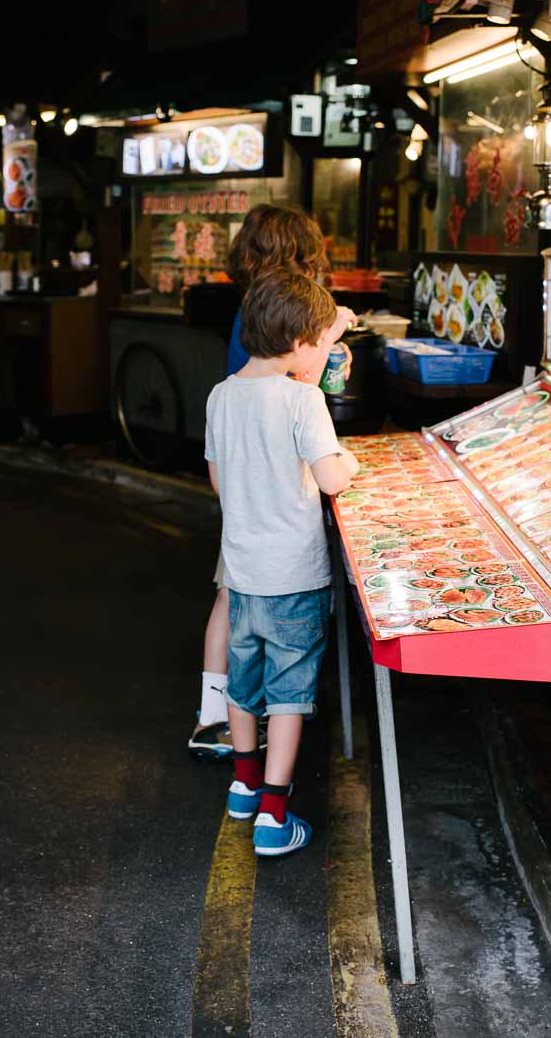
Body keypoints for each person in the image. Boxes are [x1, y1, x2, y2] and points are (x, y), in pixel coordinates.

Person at [188, 203, 351, 760]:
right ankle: (219, 726)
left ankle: (224, 729)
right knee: (259, 635)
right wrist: (333, 331)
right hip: (272, 522)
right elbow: (304, 382)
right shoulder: (277, 316)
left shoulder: (251, 311)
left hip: (245, 507)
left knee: (234, 608)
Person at [204, 269, 358, 857]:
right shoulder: (303, 398)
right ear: (298, 342)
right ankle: (274, 815)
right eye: (321, 340)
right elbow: (330, 477)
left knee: (244, 687)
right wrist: (350, 462)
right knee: (289, 693)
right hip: (293, 576)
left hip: (241, 573)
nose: (323, 350)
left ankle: (243, 785)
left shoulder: (221, 395)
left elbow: (219, 480)